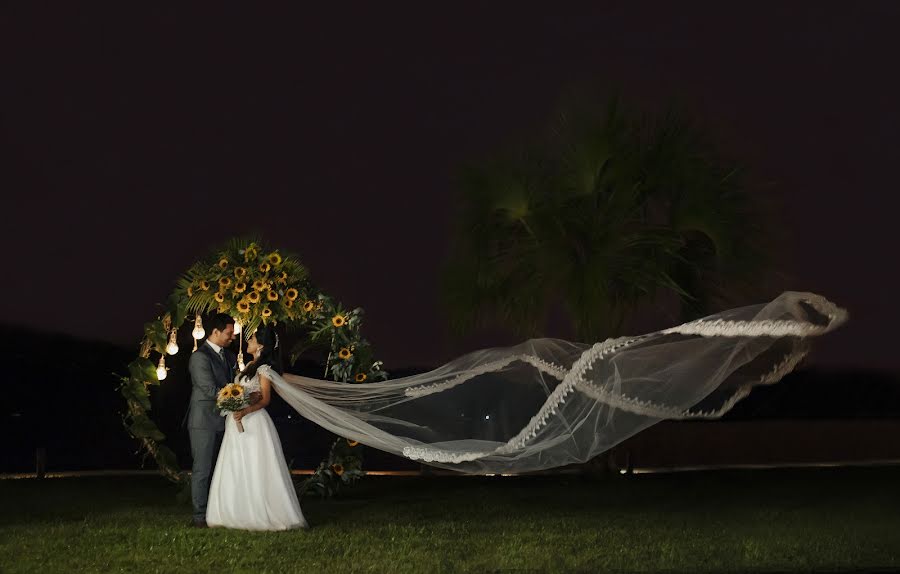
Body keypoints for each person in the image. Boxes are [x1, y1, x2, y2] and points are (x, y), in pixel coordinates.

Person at [206, 324, 308, 531]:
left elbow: (265, 399)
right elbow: (244, 392)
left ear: (261, 345)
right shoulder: (250, 366)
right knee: (236, 464)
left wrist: (244, 411)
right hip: (236, 423)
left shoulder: (264, 369)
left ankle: (260, 512)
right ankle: (233, 512)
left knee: (255, 465)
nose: (248, 341)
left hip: (254, 422)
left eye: (252, 339)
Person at [185, 313, 236, 528]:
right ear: (215, 332)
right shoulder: (199, 357)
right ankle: (199, 517)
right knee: (202, 469)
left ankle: (217, 512)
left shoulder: (229, 356)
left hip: (224, 421)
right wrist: (237, 400)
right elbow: (208, 388)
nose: (232, 337)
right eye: (229, 333)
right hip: (203, 421)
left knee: (221, 468)